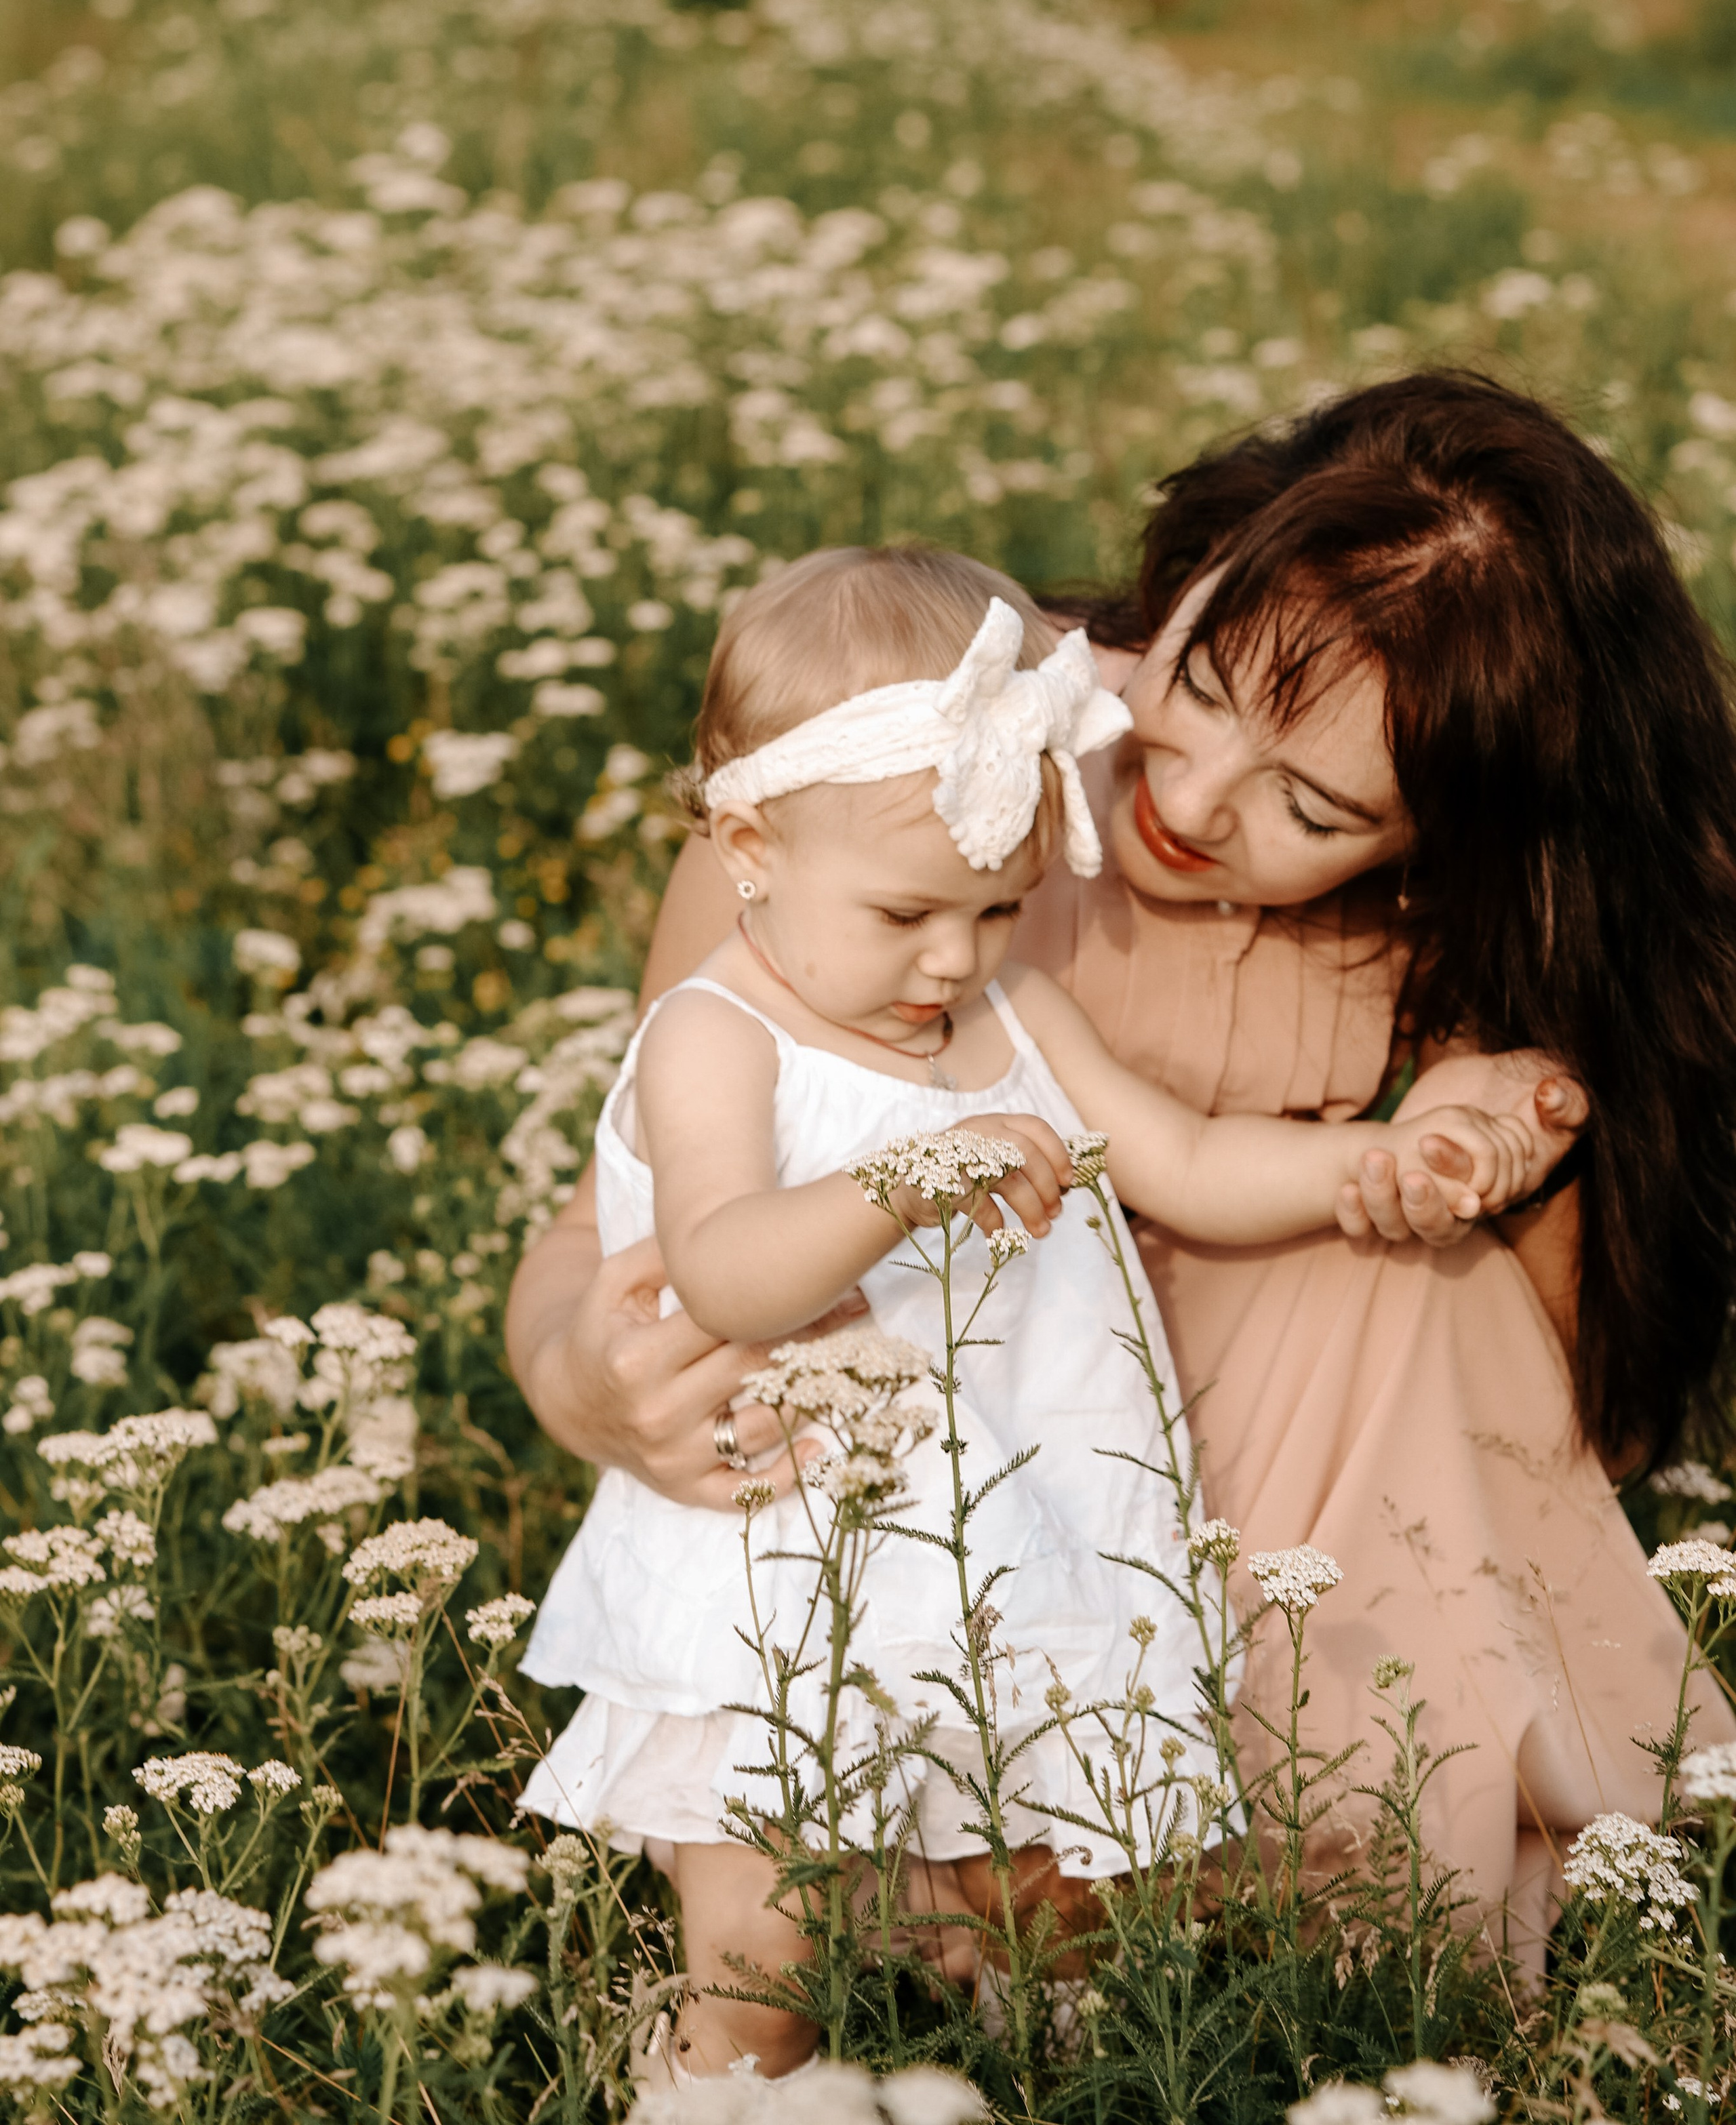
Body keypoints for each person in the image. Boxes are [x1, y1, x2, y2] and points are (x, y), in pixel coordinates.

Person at [507, 371, 1736, 1974]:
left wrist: (1488, 1141)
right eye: (1201, 685)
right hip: (916, 1426)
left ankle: (1309, 1868)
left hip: (1194, 1468)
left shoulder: (1480, 921)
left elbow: (1574, 1422)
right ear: (1197, 565)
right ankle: (1024, 1898)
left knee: (1419, 1288)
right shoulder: (898, 767)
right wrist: (573, 1375)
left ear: (1446, 840)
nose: (1191, 797)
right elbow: (629, 1198)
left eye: (1310, 807)